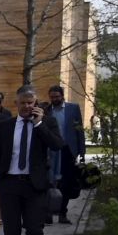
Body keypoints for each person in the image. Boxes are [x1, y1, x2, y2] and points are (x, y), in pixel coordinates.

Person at [0, 85, 64, 235]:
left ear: (36, 103)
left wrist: (39, 125)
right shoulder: (5, 126)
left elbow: (57, 145)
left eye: (31, 103)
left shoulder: (47, 122)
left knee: (35, 231)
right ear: (16, 103)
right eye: (23, 103)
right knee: (11, 233)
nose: (27, 107)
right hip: (9, 185)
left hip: (35, 186)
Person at [45, 84, 86, 223]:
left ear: (62, 96)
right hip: (51, 150)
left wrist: (81, 151)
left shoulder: (73, 109)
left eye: (57, 96)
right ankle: (48, 213)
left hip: (68, 150)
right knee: (50, 182)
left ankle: (63, 212)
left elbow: (79, 130)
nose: (54, 99)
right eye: (52, 97)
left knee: (67, 183)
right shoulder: (45, 110)